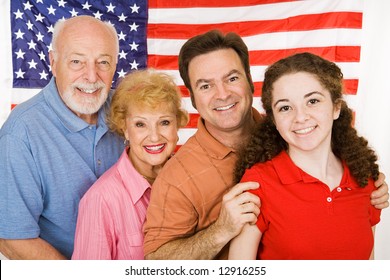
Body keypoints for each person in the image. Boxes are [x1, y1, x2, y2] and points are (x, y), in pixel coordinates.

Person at [143, 30, 389, 260]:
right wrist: (220, 230)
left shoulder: (295, 131)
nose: (222, 94)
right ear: (193, 98)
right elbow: (154, 264)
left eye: (232, 78)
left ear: (250, 81)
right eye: (205, 86)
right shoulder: (177, 177)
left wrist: (366, 178)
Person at [229, 52, 382, 260]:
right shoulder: (257, 184)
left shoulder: (365, 178)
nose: (300, 117)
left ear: (336, 107)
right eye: (285, 107)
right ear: (273, 119)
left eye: (312, 101)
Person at [0, 16, 123, 259]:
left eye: (103, 62)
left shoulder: (128, 112)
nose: (91, 76)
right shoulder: (21, 133)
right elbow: (12, 240)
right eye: (77, 61)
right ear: (54, 63)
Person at [72, 70, 188, 260]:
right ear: (124, 129)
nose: (154, 136)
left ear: (177, 125)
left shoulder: (191, 178)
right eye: (140, 125)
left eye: (164, 122)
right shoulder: (101, 200)